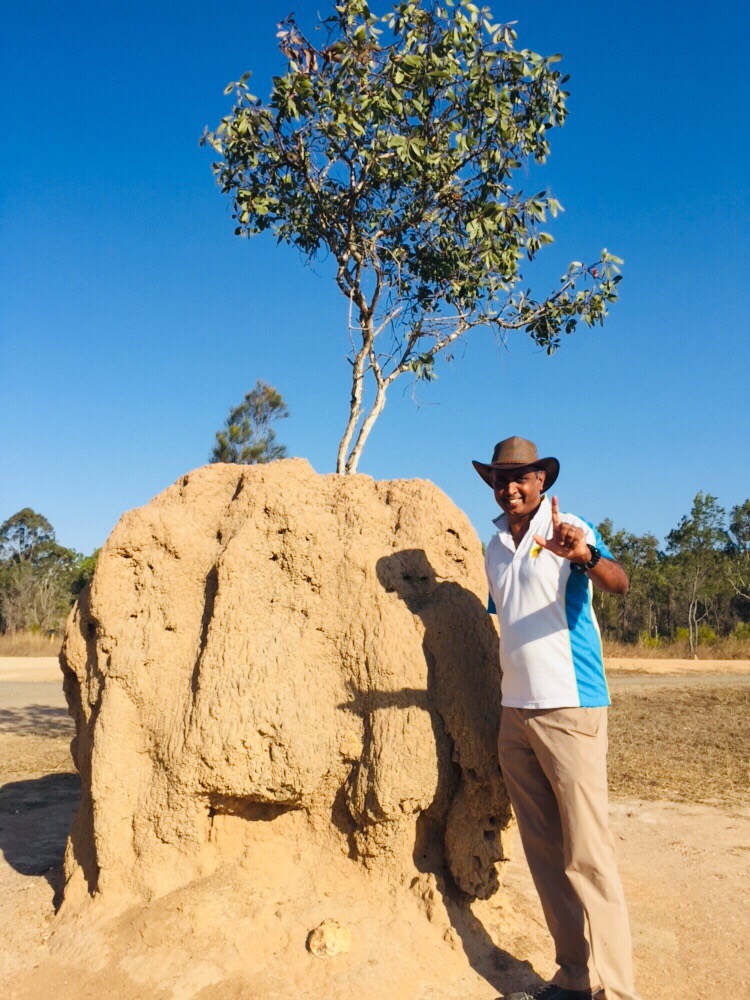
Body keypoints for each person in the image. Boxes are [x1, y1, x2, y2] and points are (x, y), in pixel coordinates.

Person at [472, 436, 640, 1000]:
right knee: (544, 855)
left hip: (571, 708)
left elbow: (619, 582)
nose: (510, 486)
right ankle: (573, 976)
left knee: (587, 856)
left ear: (542, 480)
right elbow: (509, 617)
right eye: (501, 477)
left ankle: (616, 991)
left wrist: (585, 557)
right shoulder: (493, 546)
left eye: (521, 476)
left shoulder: (570, 528)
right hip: (514, 715)